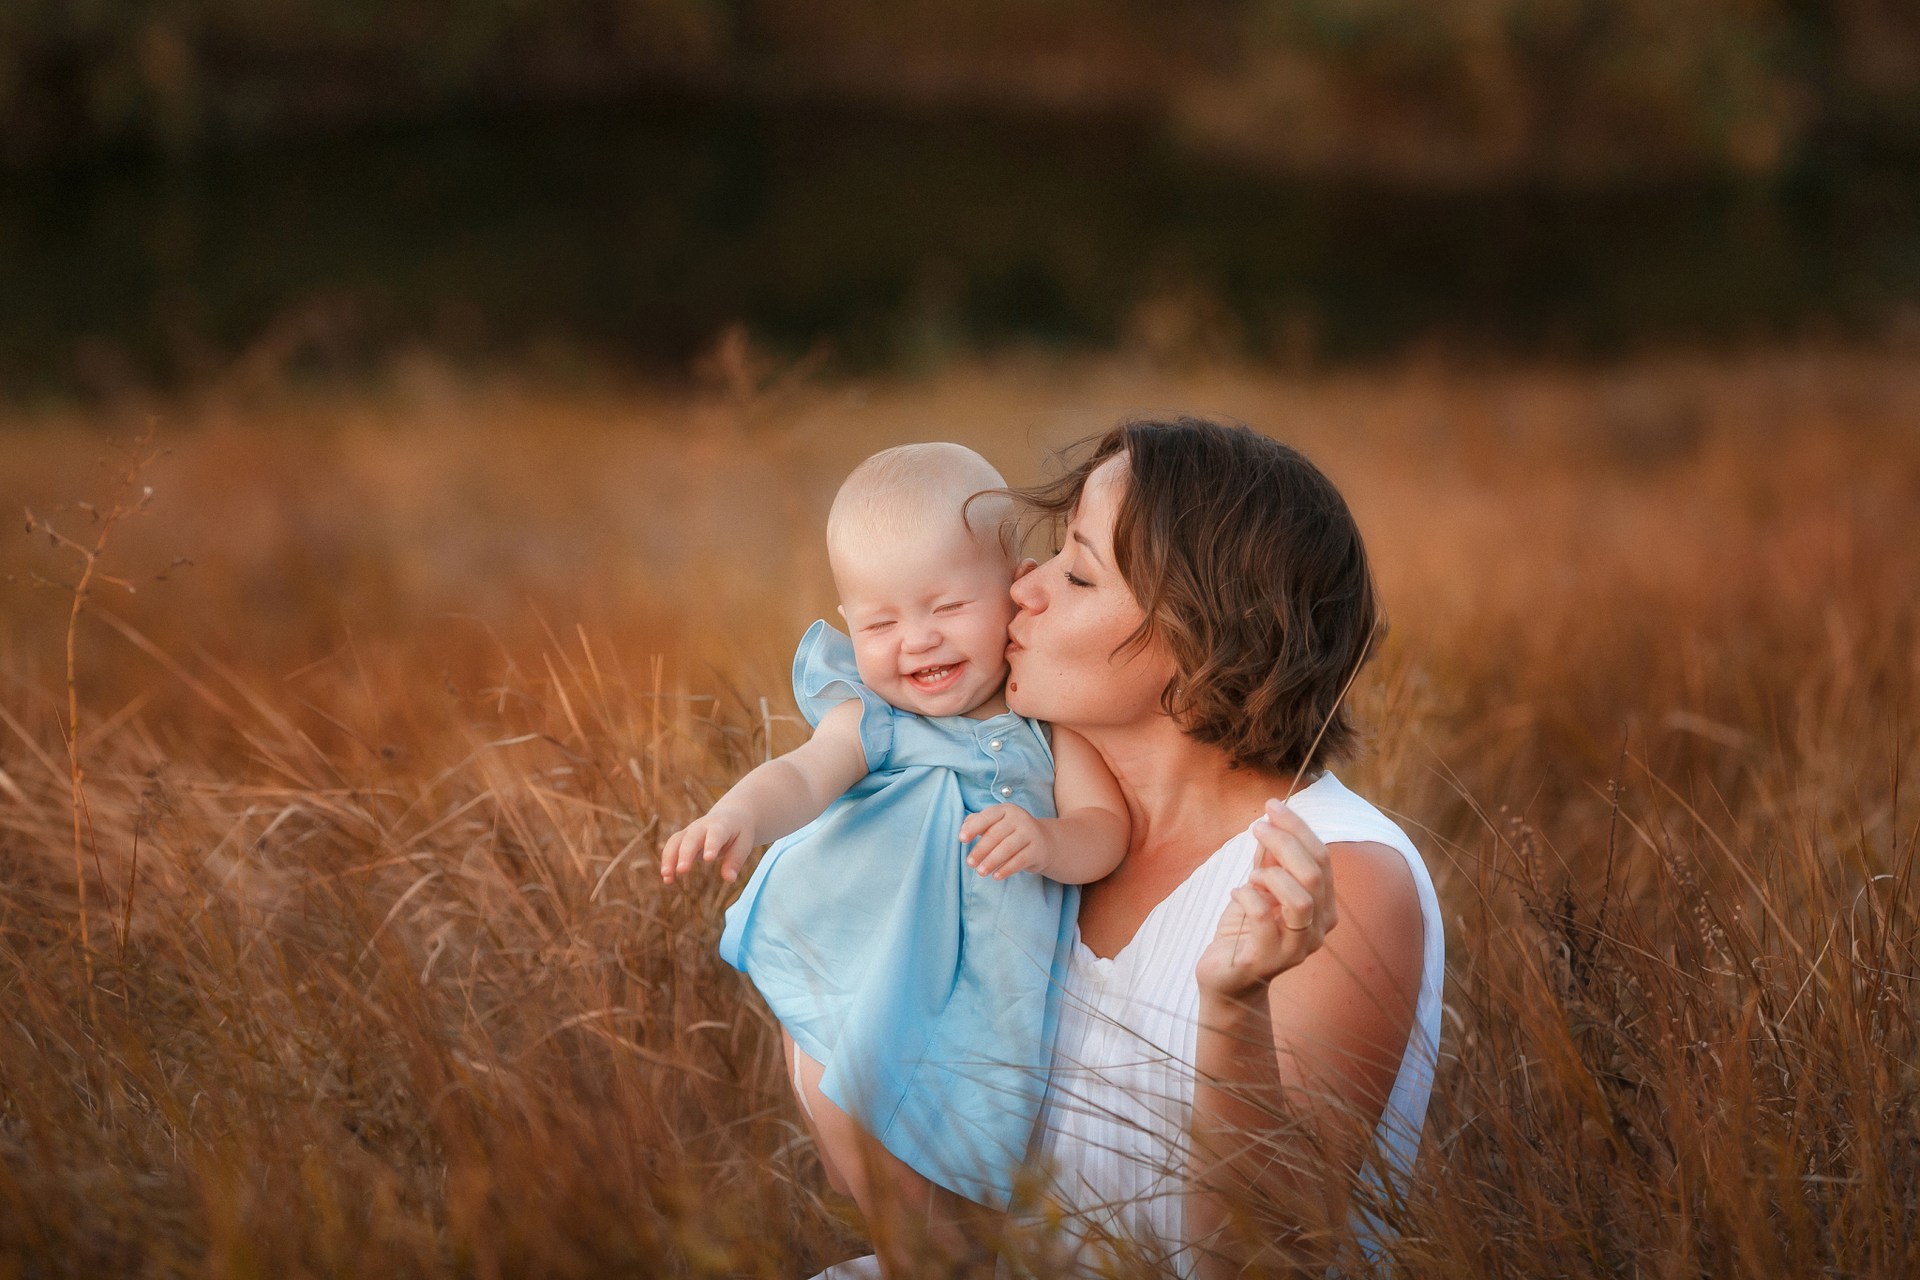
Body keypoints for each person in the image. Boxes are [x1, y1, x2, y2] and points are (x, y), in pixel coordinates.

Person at [812, 418, 1443, 1280]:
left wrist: (1233, 1008)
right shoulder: (1024, 814)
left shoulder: (1338, 876)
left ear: (1196, 641)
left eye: (1077, 572)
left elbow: (1264, 1262)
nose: (1024, 587)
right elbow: (919, 1196)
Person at [660, 442, 1129, 1271]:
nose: (916, 641)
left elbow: (1106, 827)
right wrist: (738, 812)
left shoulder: (1048, 726)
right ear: (849, 626)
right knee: (878, 1175)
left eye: (947, 606)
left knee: (958, 1194)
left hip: (978, 993)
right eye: (879, 622)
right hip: (853, 970)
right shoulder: (875, 717)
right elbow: (803, 774)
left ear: (1015, 588)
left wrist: (1049, 839)